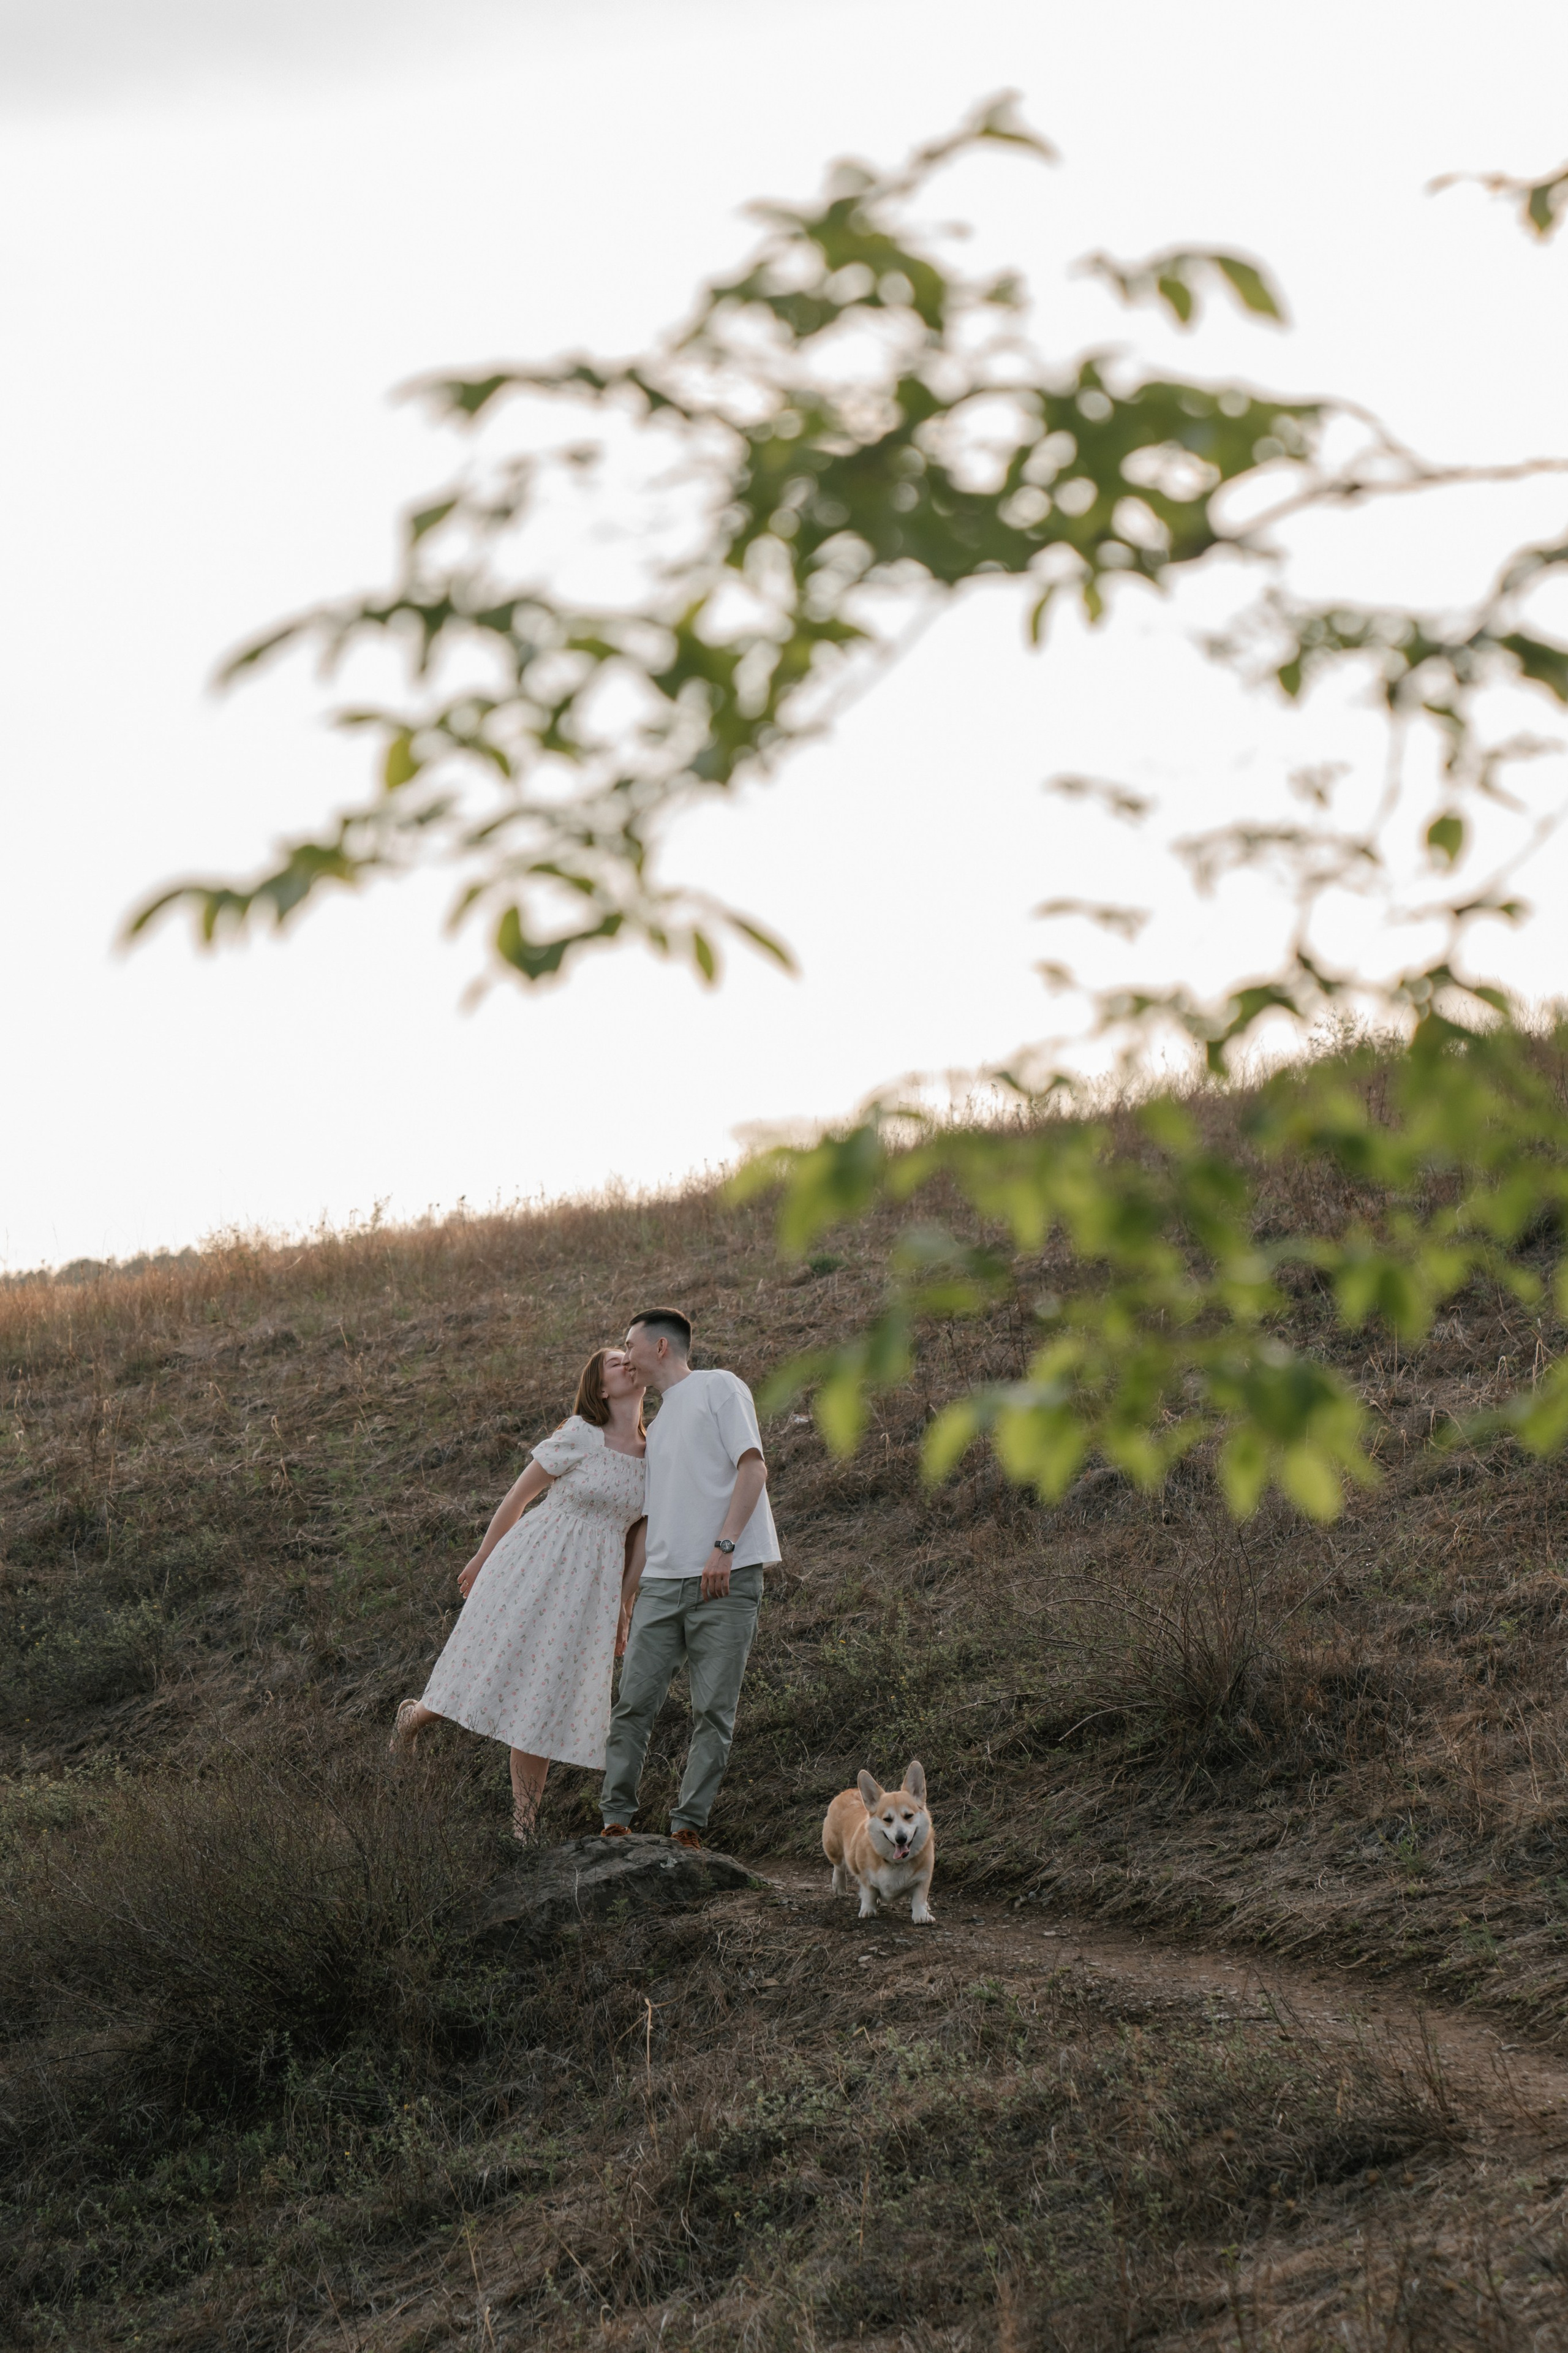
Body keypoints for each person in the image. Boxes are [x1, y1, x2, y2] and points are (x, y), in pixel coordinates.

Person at [389, 1348, 647, 1840]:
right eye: (615, 1360)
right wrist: (484, 1556)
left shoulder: (656, 1453)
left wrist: (624, 1603)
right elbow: (519, 1497)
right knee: (487, 1661)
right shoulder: (580, 1434)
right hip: (537, 1563)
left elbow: (640, 1537)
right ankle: (415, 1717)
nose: (626, 1361)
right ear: (600, 1387)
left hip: (592, 1587)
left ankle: (523, 1829)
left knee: (545, 1695)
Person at [599, 1307, 778, 1851]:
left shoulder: (719, 1388)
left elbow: (754, 1467)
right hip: (660, 1584)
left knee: (713, 1711)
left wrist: (724, 1548)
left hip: (724, 1580)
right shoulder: (654, 1428)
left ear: (659, 1347)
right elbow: (648, 1521)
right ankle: (616, 1820)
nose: (624, 1355)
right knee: (633, 1703)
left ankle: (687, 1828)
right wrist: (626, 1601)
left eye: (629, 1345)